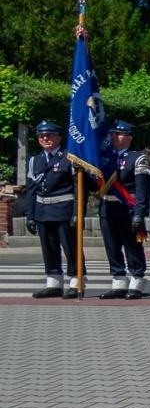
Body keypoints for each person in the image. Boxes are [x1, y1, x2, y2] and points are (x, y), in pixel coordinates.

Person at [22, 120, 79, 299]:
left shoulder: (69, 157)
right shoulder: (34, 160)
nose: (45, 138)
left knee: (71, 248)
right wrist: (30, 215)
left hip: (64, 210)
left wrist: (77, 213)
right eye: (41, 136)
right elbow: (31, 190)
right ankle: (54, 283)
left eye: (49, 135)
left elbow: (78, 188)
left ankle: (76, 281)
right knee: (49, 248)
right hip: (42, 212)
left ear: (59, 138)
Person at [97, 119, 150, 299]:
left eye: (118, 134)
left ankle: (137, 279)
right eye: (112, 134)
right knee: (112, 246)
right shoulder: (103, 157)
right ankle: (118, 280)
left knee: (132, 245)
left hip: (128, 207)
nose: (114, 137)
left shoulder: (137, 158)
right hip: (107, 206)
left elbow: (142, 190)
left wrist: (140, 214)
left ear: (129, 138)